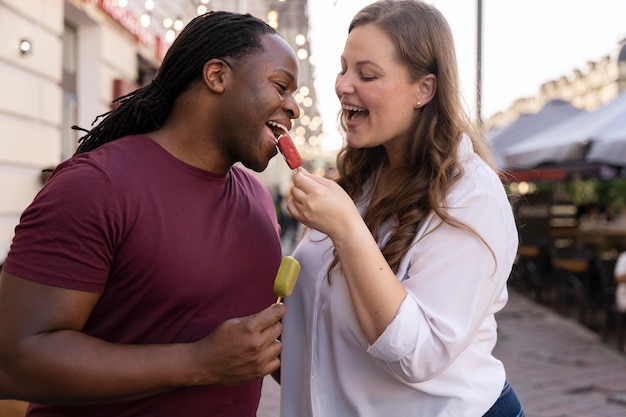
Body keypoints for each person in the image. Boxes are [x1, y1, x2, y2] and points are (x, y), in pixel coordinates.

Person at [0, 10, 300, 417]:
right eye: (281, 86)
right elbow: (13, 362)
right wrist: (200, 363)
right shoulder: (96, 186)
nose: (294, 107)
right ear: (217, 76)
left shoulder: (259, 199)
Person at [280, 1, 524, 416]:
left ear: (424, 89)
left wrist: (347, 229)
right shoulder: (362, 176)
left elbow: (418, 354)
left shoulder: (471, 195)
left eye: (367, 74)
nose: (342, 85)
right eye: (343, 68)